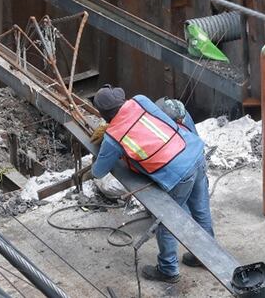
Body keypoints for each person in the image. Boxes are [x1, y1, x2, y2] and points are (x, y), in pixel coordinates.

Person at [91, 86, 208, 284]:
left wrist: (108, 140)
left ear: (104, 116)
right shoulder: (141, 100)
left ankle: (168, 269)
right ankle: (204, 254)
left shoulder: (113, 137)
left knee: (164, 221)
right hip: (194, 151)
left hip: (178, 173)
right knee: (200, 209)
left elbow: (98, 171)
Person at [155, 97, 215, 269]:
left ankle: (168, 268)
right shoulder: (179, 114)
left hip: (183, 169)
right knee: (200, 209)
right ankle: (207, 256)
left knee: (166, 217)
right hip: (197, 161)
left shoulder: (171, 120)